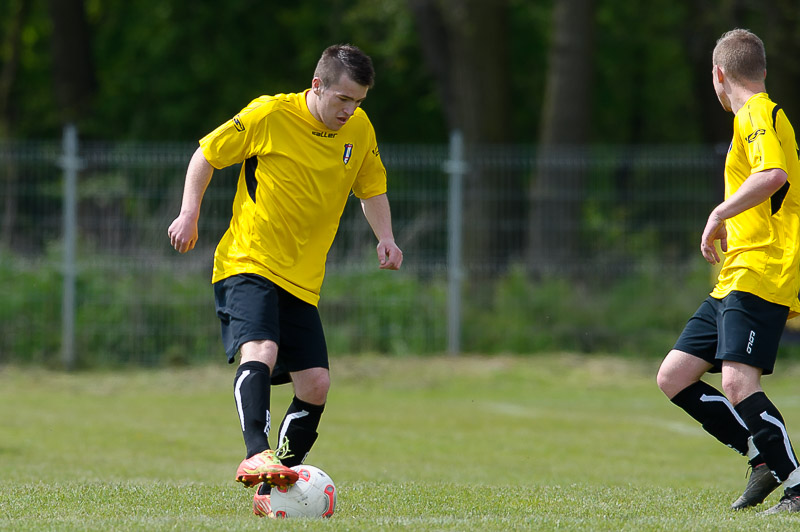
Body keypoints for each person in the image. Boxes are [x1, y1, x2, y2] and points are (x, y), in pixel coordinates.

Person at [167, 44, 403, 518]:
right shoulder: (271, 114)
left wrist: (386, 237)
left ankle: (277, 481)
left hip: (302, 279)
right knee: (263, 348)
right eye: (342, 99)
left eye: (358, 101)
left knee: (316, 383)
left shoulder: (359, 129)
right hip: (248, 261)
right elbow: (206, 154)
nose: (349, 110)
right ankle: (256, 452)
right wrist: (189, 213)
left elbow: (371, 187)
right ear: (318, 85)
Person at [656, 28, 800, 515]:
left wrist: (719, 212)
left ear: (719, 74)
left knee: (738, 383)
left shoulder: (756, 111)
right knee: (675, 376)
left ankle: (796, 484)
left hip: (762, 268)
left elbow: (773, 175)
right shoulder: (753, 116)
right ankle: (762, 456)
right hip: (736, 273)